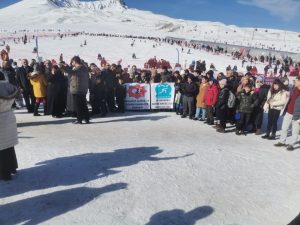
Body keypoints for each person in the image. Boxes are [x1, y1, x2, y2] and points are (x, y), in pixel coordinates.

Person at [0, 71, 18, 181]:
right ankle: (12, 167)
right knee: (8, 146)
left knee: (1, 148)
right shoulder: (9, 86)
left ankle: (4, 173)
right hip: (8, 117)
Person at [274, 76, 300, 151]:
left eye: (296, 81)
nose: (294, 82)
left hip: (297, 115)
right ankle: (282, 141)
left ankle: (291, 144)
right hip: (288, 112)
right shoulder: (293, 89)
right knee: (284, 128)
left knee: (295, 130)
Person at [64, 56, 90, 124]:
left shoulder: (79, 68)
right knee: (83, 105)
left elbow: (72, 72)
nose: (71, 63)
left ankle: (79, 119)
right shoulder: (84, 68)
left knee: (78, 105)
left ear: (75, 61)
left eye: (72, 62)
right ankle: (86, 118)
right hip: (82, 89)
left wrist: (65, 67)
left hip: (77, 89)